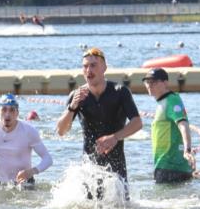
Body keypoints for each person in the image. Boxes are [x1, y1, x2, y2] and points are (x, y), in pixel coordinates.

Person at [55, 47, 142, 197]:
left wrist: (115, 137)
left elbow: (137, 123)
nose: (89, 70)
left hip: (116, 164)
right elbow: (61, 131)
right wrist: (72, 107)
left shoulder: (120, 92)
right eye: (85, 66)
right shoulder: (77, 96)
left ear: (104, 68)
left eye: (93, 65)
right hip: (90, 165)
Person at [142, 68, 196, 184]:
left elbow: (183, 124)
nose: (150, 85)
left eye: (154, 82)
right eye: (147, 82)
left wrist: (187, 150)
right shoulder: (162, 102)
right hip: (164, 164)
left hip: (171, 165)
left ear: (165, 83)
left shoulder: (172, 100)